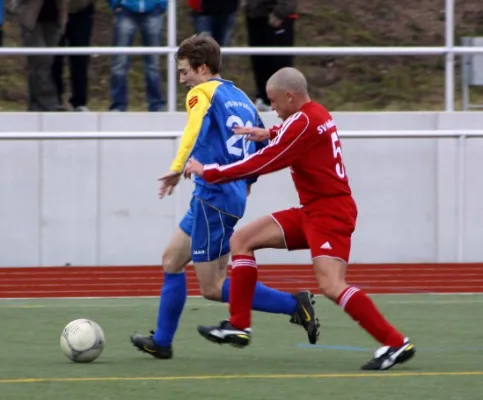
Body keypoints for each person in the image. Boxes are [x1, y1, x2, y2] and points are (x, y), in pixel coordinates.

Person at [185, 67, 416, 371]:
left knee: (332, 286)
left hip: (330, 214)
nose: (273, 109)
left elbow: (263, 161)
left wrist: (210, 172)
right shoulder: (314, 113)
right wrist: (269, 132)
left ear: (289, 96)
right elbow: (294, 131)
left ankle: (396, 342)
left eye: (274, 101)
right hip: (312, 209)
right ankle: (239, 325)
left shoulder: (303, 122)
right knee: (242, 240)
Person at [130, 35, 319, 360]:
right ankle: (162, 341)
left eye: (185, 71)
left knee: (213, 287)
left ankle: (294, 305)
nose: (182, 79)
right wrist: (247, 182)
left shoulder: (201, 93)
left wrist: (176, 168)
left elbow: (191, 131)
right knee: (171, 260)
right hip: (222, 195)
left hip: (213, 197)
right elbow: (262, 144)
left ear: (202, 68)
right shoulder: (241, 97)